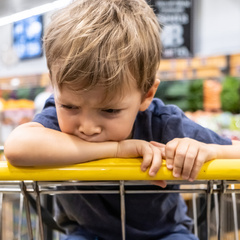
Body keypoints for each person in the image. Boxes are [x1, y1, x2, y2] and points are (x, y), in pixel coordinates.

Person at [4, 0, 240, 239]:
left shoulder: (163, 123)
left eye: (109, 111)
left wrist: (209, 151)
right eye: (70, 106)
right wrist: (118, 149)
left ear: (146, 95)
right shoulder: (54, 118)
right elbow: (17, 147)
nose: (87, 127)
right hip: (87, 232)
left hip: (164, 233)